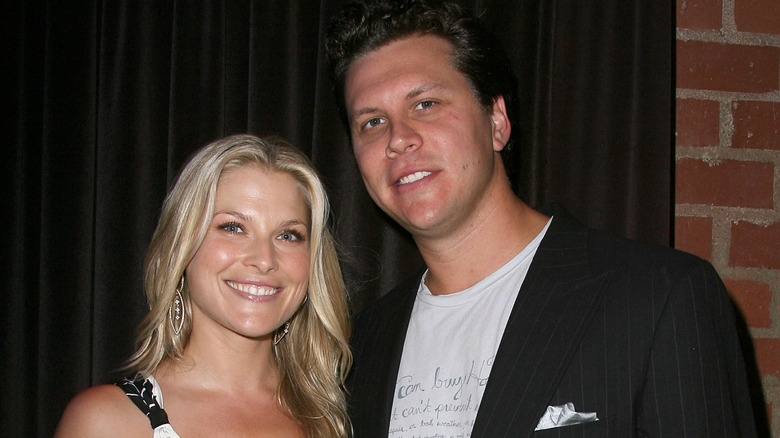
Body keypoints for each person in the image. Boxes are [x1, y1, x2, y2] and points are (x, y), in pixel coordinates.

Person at [324, 1, 758, 436]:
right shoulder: (361, 346)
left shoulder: (660, 297)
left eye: (426, 104)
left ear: (496, 120)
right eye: (372, 121)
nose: (398, 139)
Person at [54, 134, 352, 438]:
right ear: (182, 246)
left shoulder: (328, 415)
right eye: (233, 228)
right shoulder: (107, 421)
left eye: (288, 235)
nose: (264, 259)